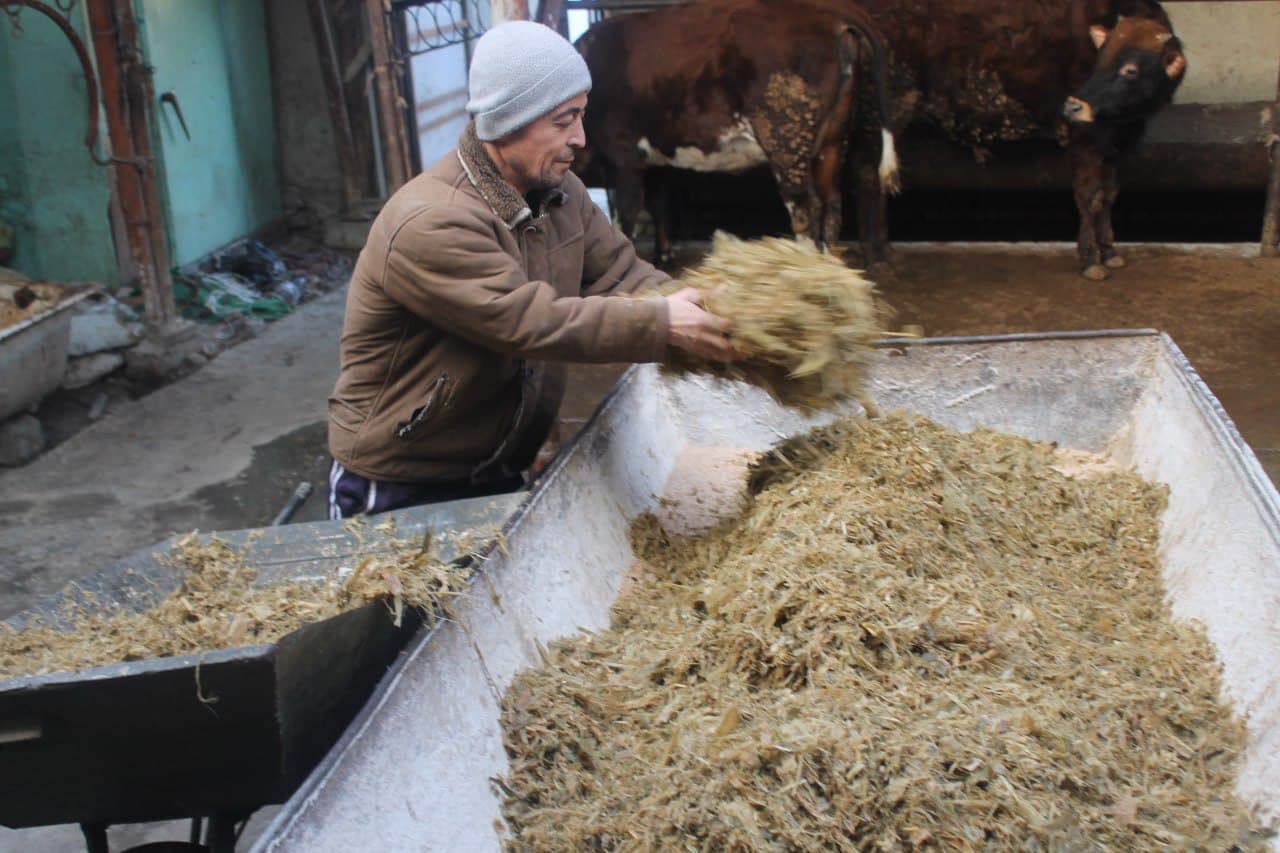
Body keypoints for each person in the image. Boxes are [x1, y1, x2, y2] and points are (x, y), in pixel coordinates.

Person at [327, 20, 737, 519]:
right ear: (508, 120)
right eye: (564, 121)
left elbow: (622, 276)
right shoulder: (432, 220)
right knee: (407, 601)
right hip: (405, 477)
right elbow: (526, 322)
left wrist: (708, 309)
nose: (580, 139)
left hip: (498, 463)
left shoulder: (562, 194)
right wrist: (664, 323)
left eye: (581, 116)